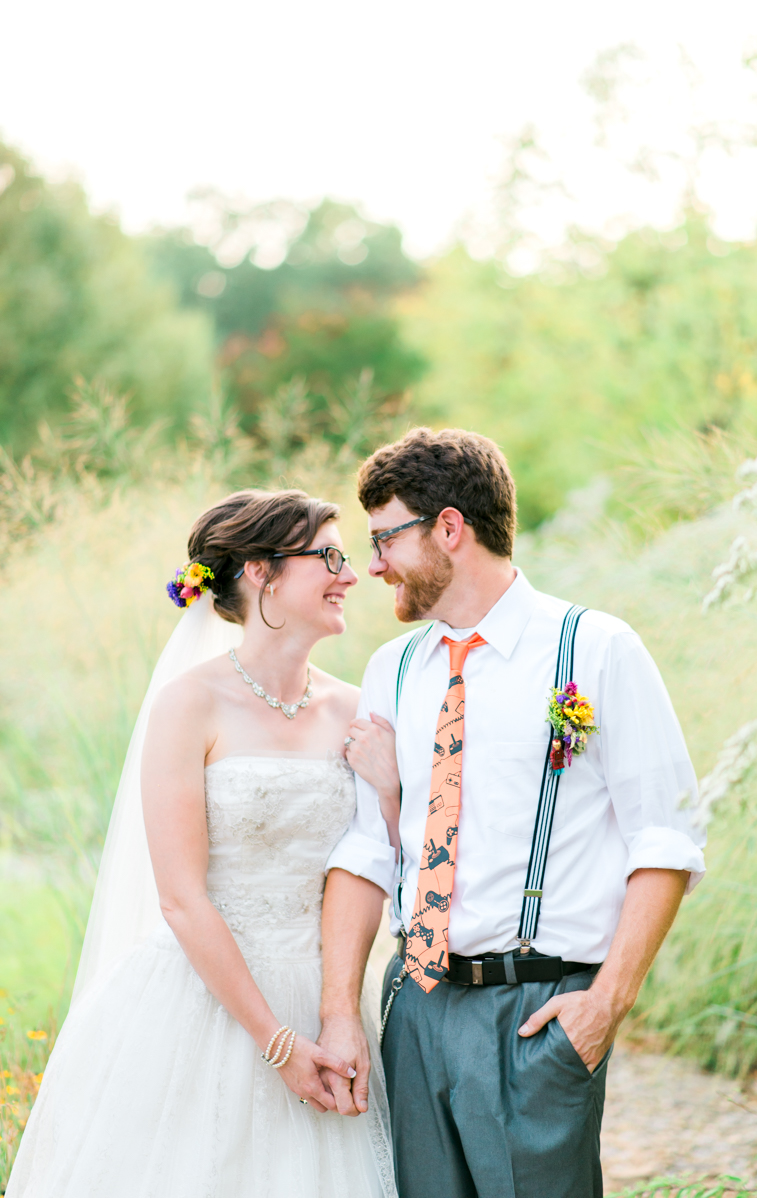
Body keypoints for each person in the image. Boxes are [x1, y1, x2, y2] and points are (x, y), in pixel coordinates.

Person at [319, 428, 707, 1198]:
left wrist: (606, 1004)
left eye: (385, 539)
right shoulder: (391, 668)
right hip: (416, 1006)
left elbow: (665, 838)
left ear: (450, 529)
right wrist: (341, 1013)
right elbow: (370, 849)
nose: (371, 566)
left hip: (538, 1012)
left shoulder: (596, 648)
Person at [7, 489, 397, 1198]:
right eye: (331, 557)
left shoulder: (354, 707)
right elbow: (182, 899)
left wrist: (391, 790)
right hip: (202, 997)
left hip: (327, 990)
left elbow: (374, 860)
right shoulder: (190, 704)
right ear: (262, 572)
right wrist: (277, 1044)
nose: (351, 574)